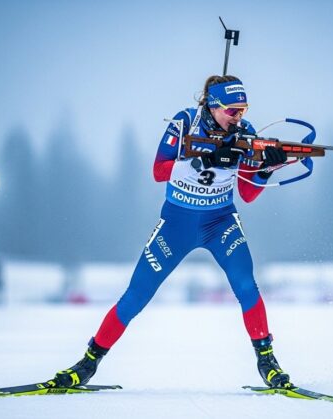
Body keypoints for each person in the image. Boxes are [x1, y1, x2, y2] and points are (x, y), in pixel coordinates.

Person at [50, 75, 292, 389]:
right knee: (136, 295)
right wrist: (204, 158)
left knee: (246, 286)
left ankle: (267, 363)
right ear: (212, 105)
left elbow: (247, 193)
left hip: (220, 223)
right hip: (177, 224)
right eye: (232, 111)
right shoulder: (185, 123)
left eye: (243, 110)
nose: (238, 118)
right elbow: (158, 170)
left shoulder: (245, 133)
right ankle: (88, 362)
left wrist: (263, 169)